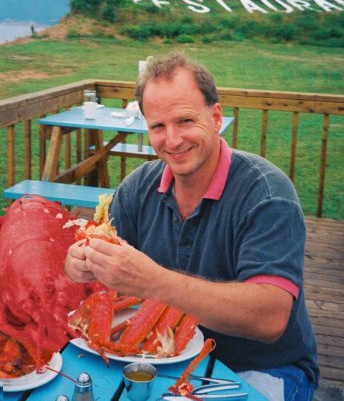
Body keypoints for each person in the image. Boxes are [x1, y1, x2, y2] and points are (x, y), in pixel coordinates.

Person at [65, 52, 318, 401]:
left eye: (185, 120)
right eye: (158, 126)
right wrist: (81, 264)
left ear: (215, 117)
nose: (172, 140)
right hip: (158, 357)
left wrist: (154, 280)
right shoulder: (137, 187)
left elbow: (270, 319)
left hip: (261, 367)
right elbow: (105, 283)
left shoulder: (267, 193)